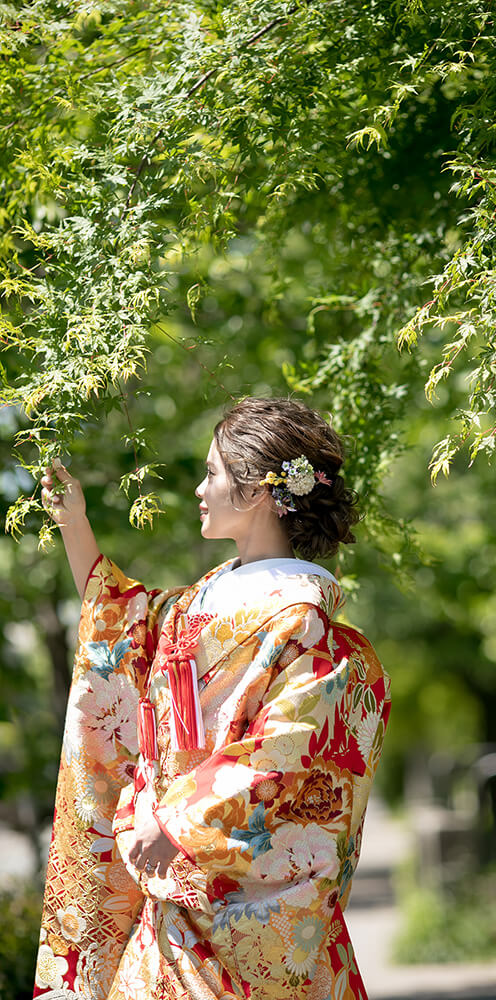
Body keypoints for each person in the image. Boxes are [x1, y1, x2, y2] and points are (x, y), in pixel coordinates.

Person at [34, 396, 391, 1000]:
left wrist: (175, 821)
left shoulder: (308, 630)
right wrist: (74, 522)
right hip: (168, 898)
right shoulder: (199, 601)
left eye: (212, 473)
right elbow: (123, 630)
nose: (199, 489)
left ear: (254, 492)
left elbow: (281, 750)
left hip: (250, 902)